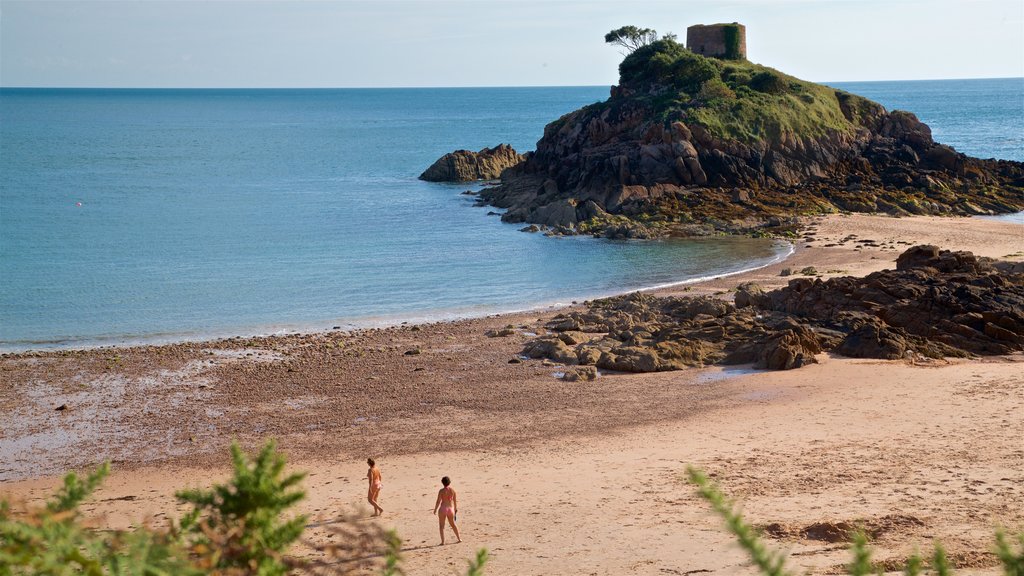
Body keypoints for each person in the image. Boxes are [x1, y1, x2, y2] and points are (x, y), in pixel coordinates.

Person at [432, 476, 461, 545]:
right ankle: (459, 538)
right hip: (450, 509)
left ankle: (443, 541)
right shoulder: (453, 490)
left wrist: (435, 509)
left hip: (443, 509)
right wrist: (455, 509)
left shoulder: (441, 491)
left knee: (441, 526)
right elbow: (454, 501)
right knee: (453, 524)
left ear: (442, 483)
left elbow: (438, 501)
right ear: (449, 482)